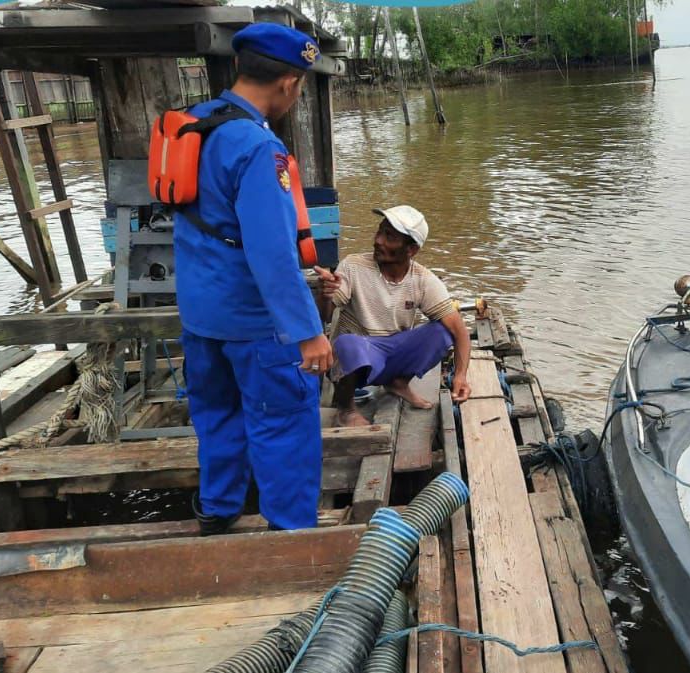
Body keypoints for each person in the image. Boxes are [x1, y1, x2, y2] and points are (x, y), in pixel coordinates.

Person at [173, 23, 332, 535]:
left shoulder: (195, 126)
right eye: (300, 86)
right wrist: (308, 332)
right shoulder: (258, 149)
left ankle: (217, 514)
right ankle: (290, 536)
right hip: (256, 323)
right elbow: (273, 254)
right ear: (289, 84)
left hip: (201, 317)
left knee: (217, 416)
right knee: (283, 425)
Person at [316, 206, 471, 427]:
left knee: (442, 331)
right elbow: (326, 315)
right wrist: (326, 294)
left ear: (411, 250)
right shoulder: (353, 266)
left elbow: (460, 333)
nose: (378, 240)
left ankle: (398, 382)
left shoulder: (423, 280)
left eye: (389, 237)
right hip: (357, 359)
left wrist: (460, 376)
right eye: (379, 232)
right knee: (347, 343)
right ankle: (346, 408)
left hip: (392, 354)